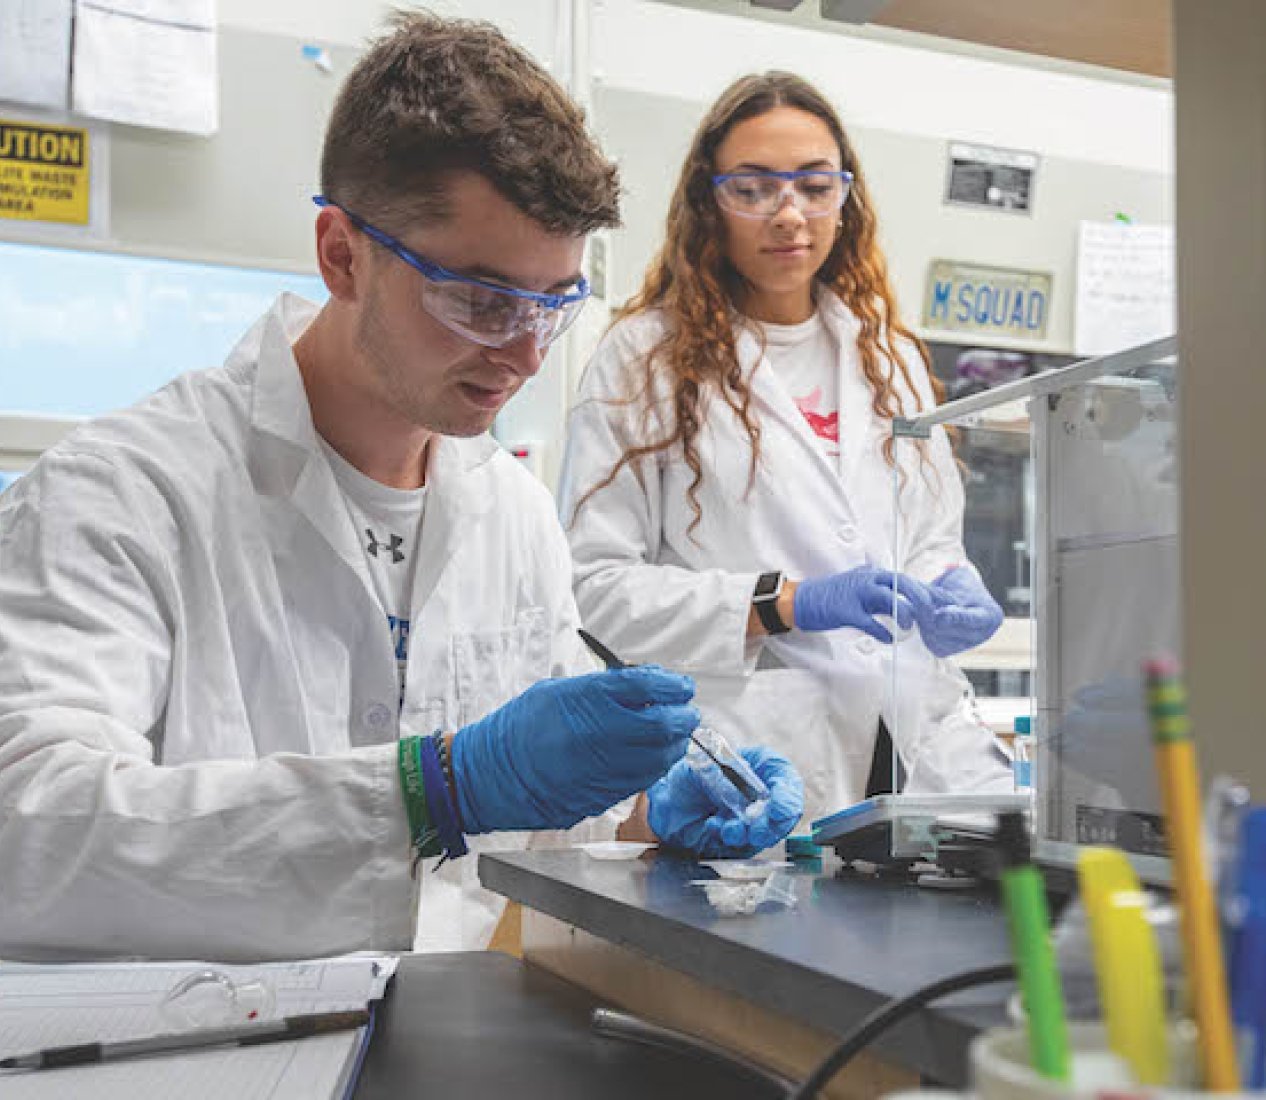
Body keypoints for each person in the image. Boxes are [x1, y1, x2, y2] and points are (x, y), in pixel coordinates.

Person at [0, 15, 801, 964]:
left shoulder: (509, 512)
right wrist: (430, 789)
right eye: (482, 299)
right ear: (342, 254)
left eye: (555, 303)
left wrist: (639, 816)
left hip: (448, 1030)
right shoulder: (119, 496)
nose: (525, 354)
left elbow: (522, 830)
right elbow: (29, 836)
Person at [558, 72, 1010, 831]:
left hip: (913, 737)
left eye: (814, 184)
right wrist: (784, 602)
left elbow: (928, 537)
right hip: (749, 750)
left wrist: (952, 584)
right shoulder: (647, 358)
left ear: (847, 197)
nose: (790, 213)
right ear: (710, 201)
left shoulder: (888, 356)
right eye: (755, 188)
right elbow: (592, 589)